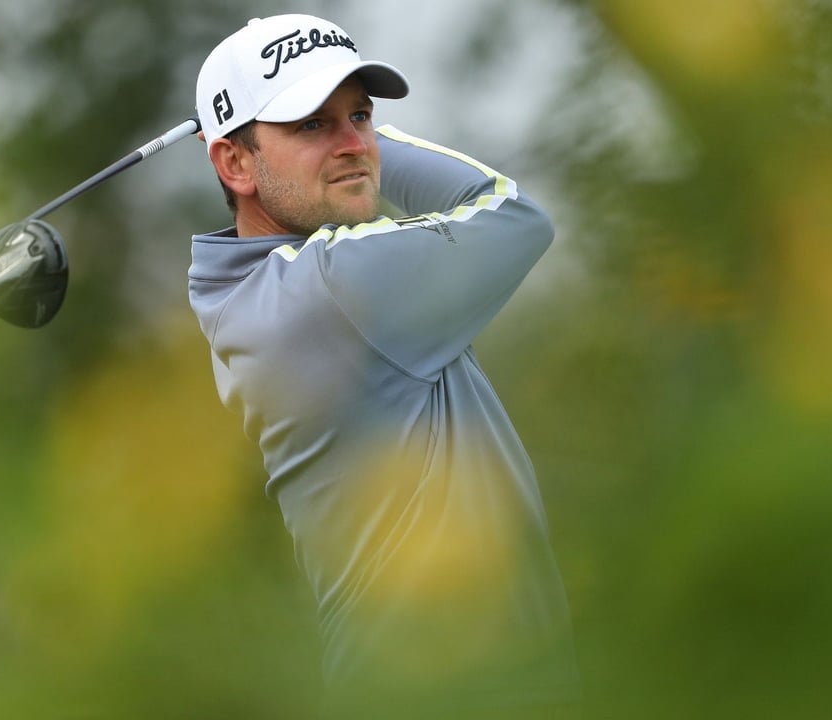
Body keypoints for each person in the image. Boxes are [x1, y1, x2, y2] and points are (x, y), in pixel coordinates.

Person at [188, 14, 581, 719]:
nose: (350, 141)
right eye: (310, 123)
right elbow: (514, 214)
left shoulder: (243, 295)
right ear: (234, 164)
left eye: (361, 115)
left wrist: (337, 147)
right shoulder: (335, 285)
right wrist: (369, 151)